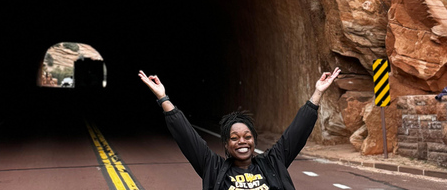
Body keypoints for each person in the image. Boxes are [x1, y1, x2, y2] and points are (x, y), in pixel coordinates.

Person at [138, 68, 341, 190]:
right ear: (226, 145)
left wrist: (317, 94)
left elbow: (297, 132)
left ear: (254, 140)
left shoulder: (272, 163)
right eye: (234, 138)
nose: (242, 141)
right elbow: (187, 137)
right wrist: (163, 98)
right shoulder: (214, 168)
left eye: (246, 136)